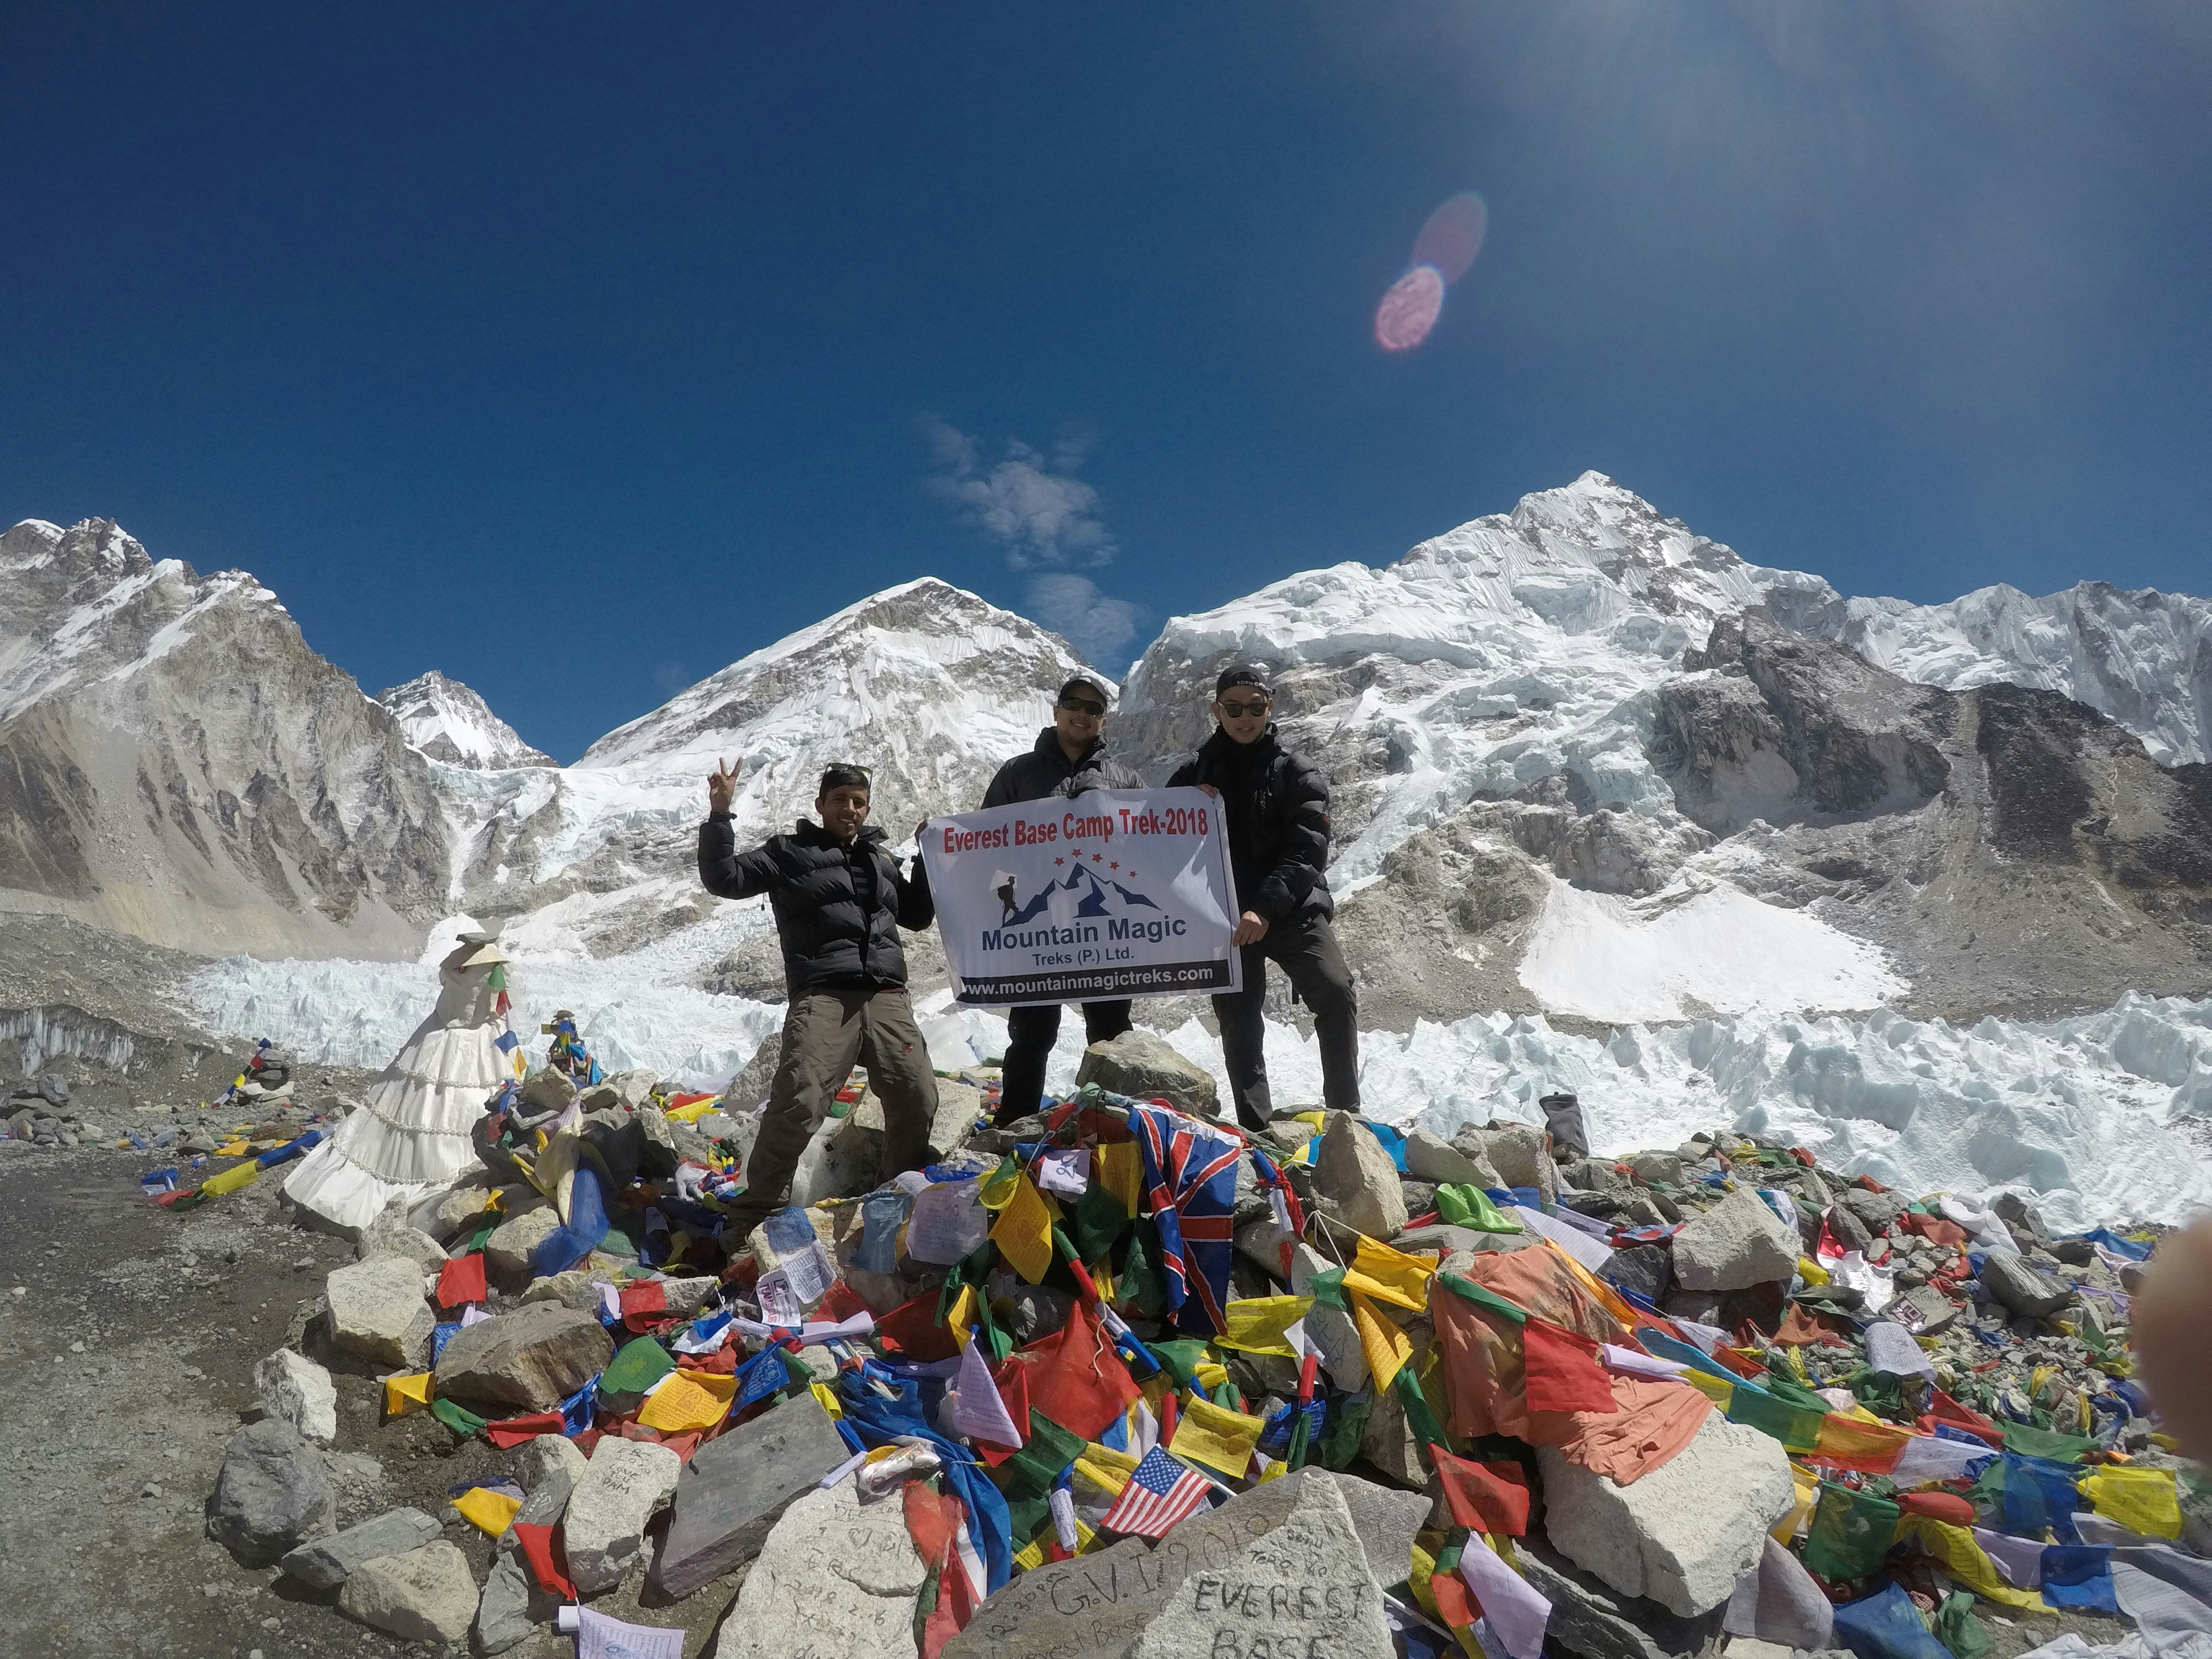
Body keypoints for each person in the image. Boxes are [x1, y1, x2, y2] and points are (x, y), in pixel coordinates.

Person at [698, 760, 941, 1236]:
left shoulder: (883, 859)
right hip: (825, 994)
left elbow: (916, 916)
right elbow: (723, 878)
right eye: (840, 800)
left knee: (918, 1095)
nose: (849, 809)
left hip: (887, 994)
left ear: (867, 807)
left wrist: (928, 858)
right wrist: (720, 813)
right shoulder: (789, 853)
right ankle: (755, 1216)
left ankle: (892, 1201)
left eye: (858, 802)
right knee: (801, 1100)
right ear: (820, 805)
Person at [1169, 666, 1359, 1133]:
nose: (1244, 717)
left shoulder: (1298, 772)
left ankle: (1346, 1120)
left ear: (1269, 707)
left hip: (1291, 908)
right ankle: (1258, 1130)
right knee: (1238, 1019)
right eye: (1233, 708)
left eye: (1255, 707)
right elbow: (1157, 838)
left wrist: (1265, 907)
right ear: (1217, 711)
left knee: (1335, 991)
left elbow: (1307, 850)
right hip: (1227, 917)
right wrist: (1183, 804)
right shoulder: (1191, 775)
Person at [980, 673, 1144, 1125]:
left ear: (1103, 721)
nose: (1082, 714)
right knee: (1031, 1033)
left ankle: (1113, 1126)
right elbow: (982, 839)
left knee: (1110, 1031)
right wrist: (941, 842)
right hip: (1039, 926)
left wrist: (1201, 806)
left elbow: (1151, 845)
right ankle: (1015, 1125)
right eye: (1074, 703)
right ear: (1056, 711)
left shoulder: (1125, 780)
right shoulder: (1018, 773)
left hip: (1102, 922)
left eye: (1093, 709)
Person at [284, 928, 518, 1232]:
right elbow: (498, 1004)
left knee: (416, 1100)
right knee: (469, 1100)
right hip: (481, 1040)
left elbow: (449, 983)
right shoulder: (496, 969)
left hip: (442, 1035)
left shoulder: (453, 965)